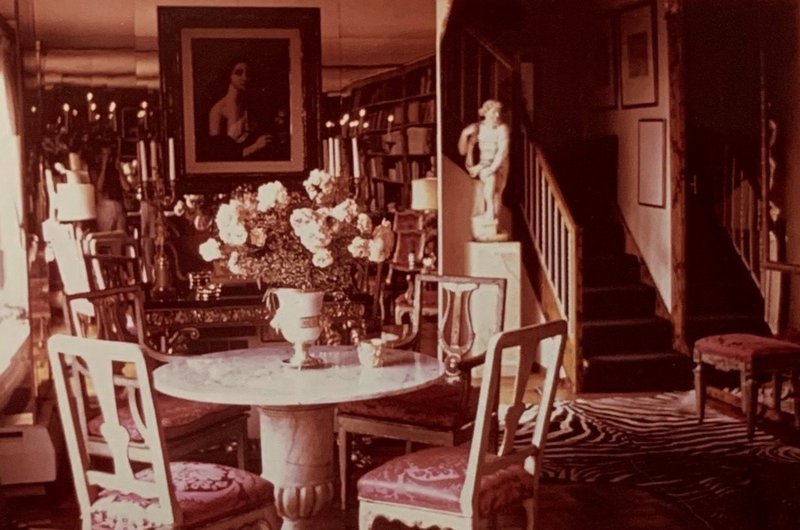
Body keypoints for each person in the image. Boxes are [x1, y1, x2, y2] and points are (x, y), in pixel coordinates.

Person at [457, 99, 510, 225]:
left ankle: (492, 218)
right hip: (484, 164)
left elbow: (502, 152)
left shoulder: (502, 129)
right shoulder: (478, 128)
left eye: (498, 112)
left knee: (497, 192)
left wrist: (491, 169)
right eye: (494, 112)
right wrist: (464, 134)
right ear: (485, 113)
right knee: (490, 179)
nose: (497, 115)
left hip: (500, 165)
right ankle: (489, 212)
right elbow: (462, 151)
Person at [207, 59, 271, 160]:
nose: (245, 78)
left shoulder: (250, 105)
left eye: (247, 74)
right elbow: (218, 154)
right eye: (238, 73)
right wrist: (255, 147)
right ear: (229, 75)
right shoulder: (218, 110)